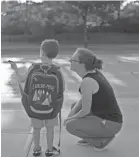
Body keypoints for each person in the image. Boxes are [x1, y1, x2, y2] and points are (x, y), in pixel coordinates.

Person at [10, 39, 65, 156]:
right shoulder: (57, 71)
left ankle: (36, 149)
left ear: (42, 52)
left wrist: (15, 69)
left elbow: (21, 79)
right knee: (50, 129)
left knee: (36, 129)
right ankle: (50, 150)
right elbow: (62, 89)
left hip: (34, 107)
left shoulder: (33, 68)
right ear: (54, 54)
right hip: (51, 108)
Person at [65, 48, 123, 151]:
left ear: (82, 64)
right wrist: (72, 114)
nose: (70, 61)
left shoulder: (88, 81)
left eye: (73, 60)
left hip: (110, 124)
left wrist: (69, 119)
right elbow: (83, 101)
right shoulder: (93, 73)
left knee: (70, 125)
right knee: (74, 106)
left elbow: (85, 111)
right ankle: (93, 135)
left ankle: (101, 141)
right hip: (107, 118)